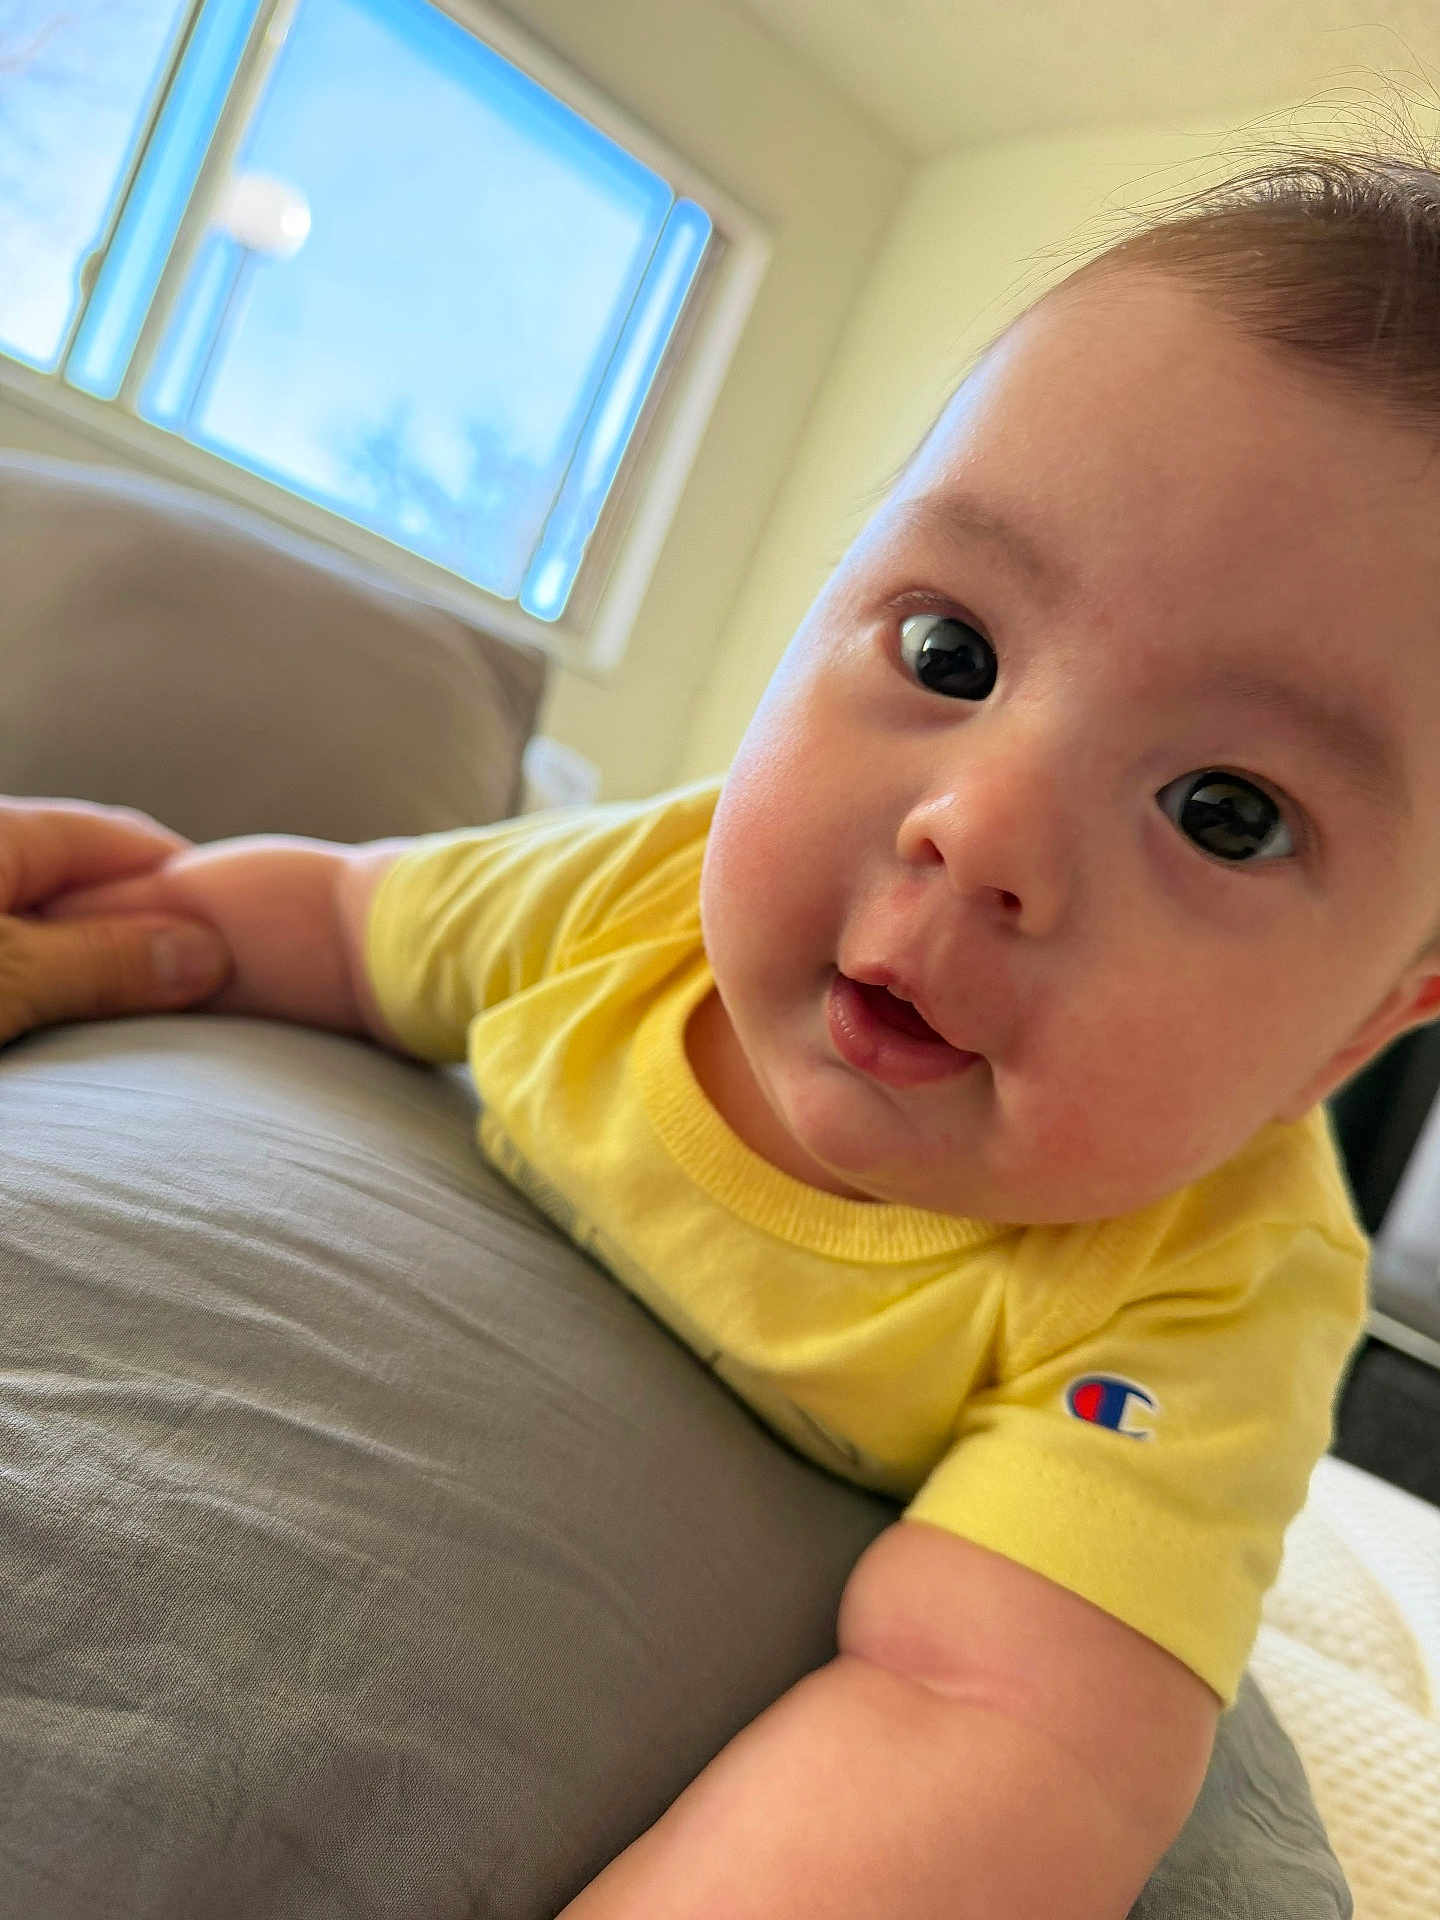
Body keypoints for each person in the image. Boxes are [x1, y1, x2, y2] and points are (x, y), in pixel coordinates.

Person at [12, 144, 1440, 1919]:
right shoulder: (636, 892)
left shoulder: (1215, 1286)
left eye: (1227, 809)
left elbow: (996, 1719)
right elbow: (323, 918)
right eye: (949, 647)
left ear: (1362, 1030)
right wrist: (109, 907)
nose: (977, 829)